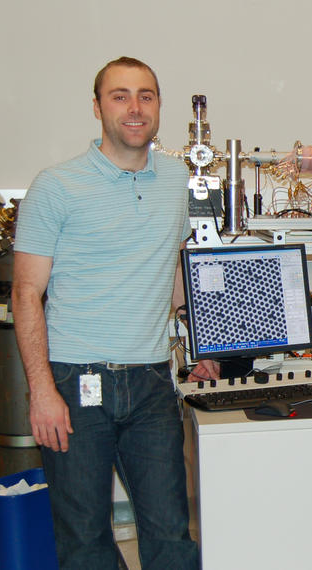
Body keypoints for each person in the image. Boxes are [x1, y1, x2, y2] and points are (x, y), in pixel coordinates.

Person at [12, 56, 214, 569]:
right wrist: (41, 392)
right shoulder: (56, 186)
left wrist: (200, 346)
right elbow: (25, 293)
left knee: (172, 535)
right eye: (120, 95)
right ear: (98, 106)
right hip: (75, 385)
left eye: (146, 95)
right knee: (85, 542)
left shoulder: (176, 180)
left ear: (159, 107)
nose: (134, 107)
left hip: (150, 385)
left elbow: (173, 270)